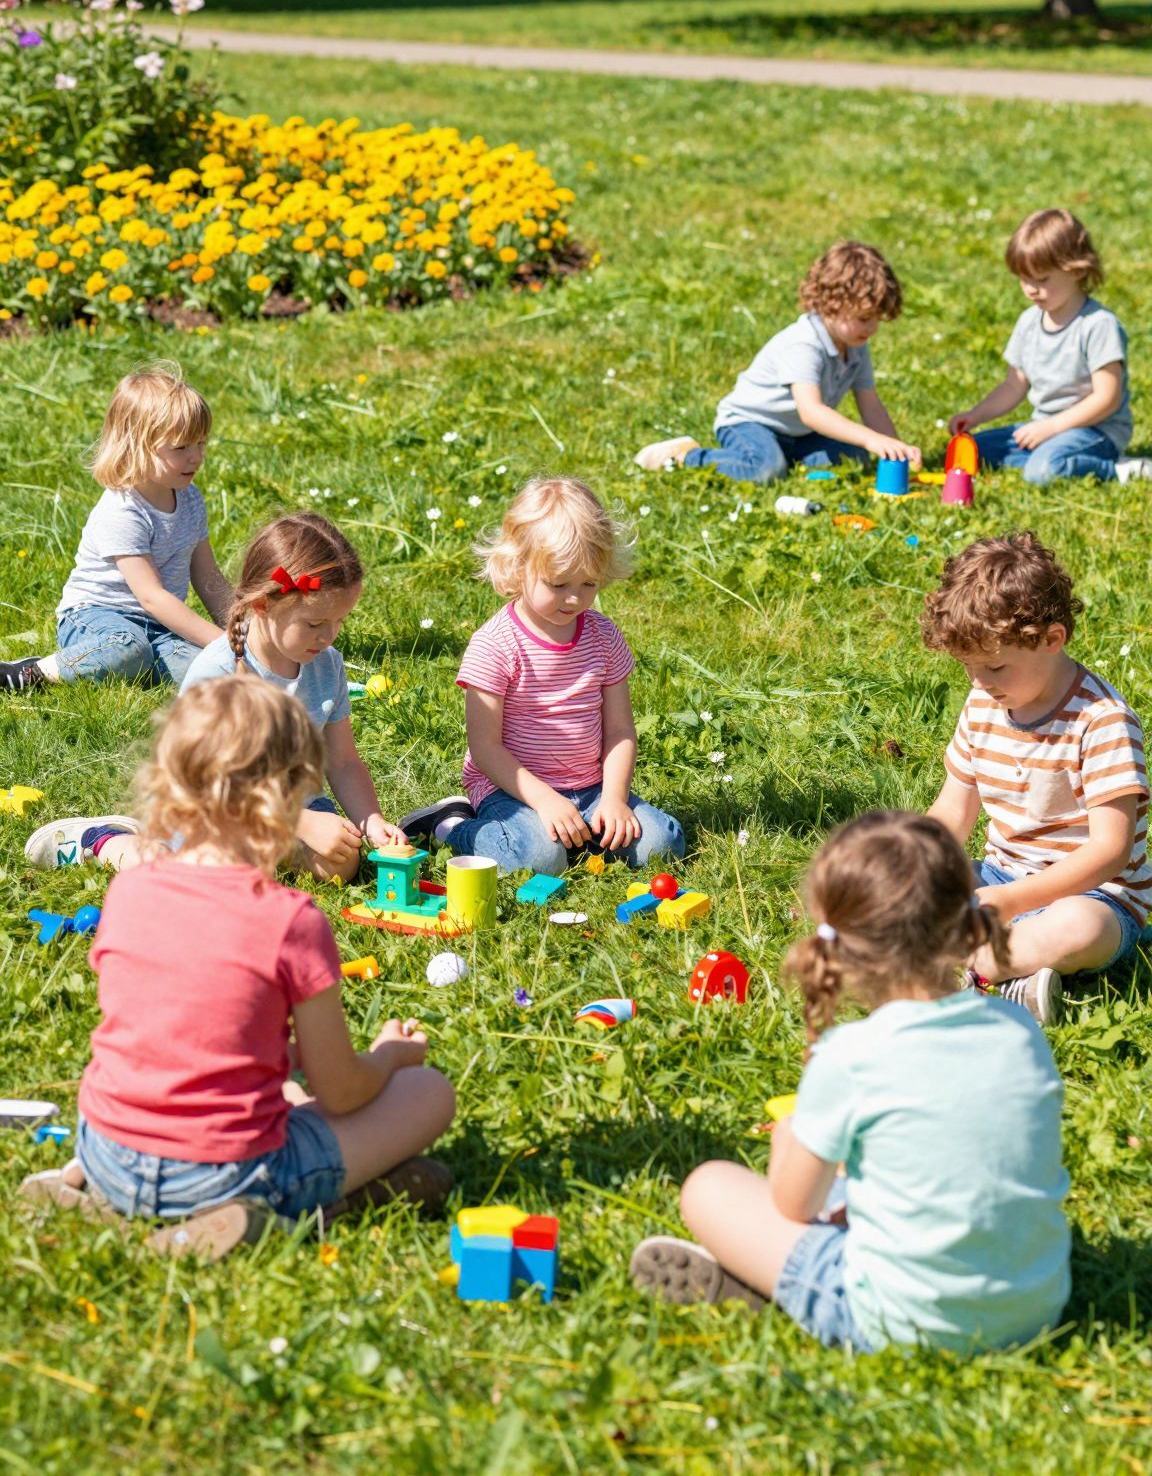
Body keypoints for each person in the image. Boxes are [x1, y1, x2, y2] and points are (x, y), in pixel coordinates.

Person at [20, 677, 456, 1262]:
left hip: (108, 1150)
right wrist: (387, 1056)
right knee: (428, 1094)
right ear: (290, 803)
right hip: (221, 1172)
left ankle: (101, 1196)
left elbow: (176, 1035)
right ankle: (284, 1209)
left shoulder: (129, 888)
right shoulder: (289, 921)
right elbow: (344, 1092)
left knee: (288, 1090)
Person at [630, 811, 1070, 1354]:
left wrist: (787, 1139)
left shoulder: (851, 1056)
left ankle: (791, 1297)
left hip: (901, 1322)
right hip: (1038, 1307)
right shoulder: (1019, 1028)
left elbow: (793, 1206)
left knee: (708, 1188)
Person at [25, 512, 410, 881]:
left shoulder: (326, 665)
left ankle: (269, 853)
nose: (329, 637)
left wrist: (370, 820)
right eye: (314, 623)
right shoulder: (219, 671)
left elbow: (342, 761)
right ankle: (102, 842)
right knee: (196, 872)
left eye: (340, 621)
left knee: (341, 864)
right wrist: (299, 823)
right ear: (262, 605)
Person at [398, 476, 685, 876]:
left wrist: (615, 799)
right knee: (538, 859)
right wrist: (546, 801)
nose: (574, 598)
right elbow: (485, 749)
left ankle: (579, 834)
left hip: (591, 789)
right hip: (512, 790)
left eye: (588, 583)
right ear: (517, 567)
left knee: (664, 845)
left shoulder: (602, 636)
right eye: (558, 584)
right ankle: (451, 827)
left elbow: (620, 731)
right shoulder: (496, 645)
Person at [921, 531, 1149, 1025]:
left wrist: (1012, 901)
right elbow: (953, 811)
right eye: (968, 667)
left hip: (1092, 893)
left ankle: (961, 970)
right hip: (999, 877)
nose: (980, 682)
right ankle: (1012, 983)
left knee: (1078, 929)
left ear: (1051, 640)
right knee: (909, 895)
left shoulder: (1101, 720)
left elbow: (1109, 851)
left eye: (996, 666)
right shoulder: (985, 702)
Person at [1, 362, 231, 694]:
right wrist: (220, 641)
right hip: (96, 619)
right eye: (181, 447)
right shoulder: (123, 509)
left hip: (160, 629)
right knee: (128, 648)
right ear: (136, 445)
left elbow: (209, 579)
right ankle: (32, 672)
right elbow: (151, 597)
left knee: (217, 675)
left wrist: (244, 633)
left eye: (201, 443)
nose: (196, 456)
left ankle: (125, 669)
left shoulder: (190, 499)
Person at [634, 241, 921, 484]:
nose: (871, 328)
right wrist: (872, 439)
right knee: (763, 468)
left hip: (797, 433)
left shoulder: (856, 345)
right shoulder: (804, 343)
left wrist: (895, 450)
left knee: (855, 454)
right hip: (750, 423)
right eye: (863, 318)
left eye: (876, 319)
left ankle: (784, 458)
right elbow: (812, 412)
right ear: (831, 303)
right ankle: (684, 457)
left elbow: (870, 403)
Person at [948, 208, 1151, 484]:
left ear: (1077, 271)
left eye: (1042, 280)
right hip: (1045, 428)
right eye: (1024, 279)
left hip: (1094, 432)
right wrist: (976, 415)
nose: (1031, 289)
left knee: (1043, 471)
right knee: (973, 451)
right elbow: (1013, 385)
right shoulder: (1029, 322)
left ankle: (1119, 470)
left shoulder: (1098, 325)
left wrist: (1053, 427)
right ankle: (1051, 455)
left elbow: (1108, 398)